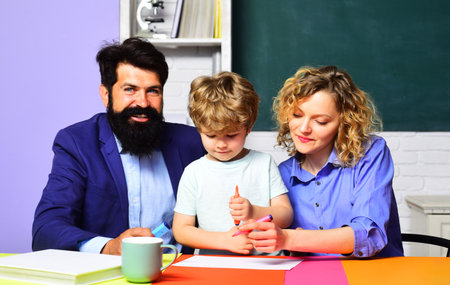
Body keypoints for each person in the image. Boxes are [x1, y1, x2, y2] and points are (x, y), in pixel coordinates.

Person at [32, 38, 205, 255]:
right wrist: (109, 247)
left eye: (153, 91)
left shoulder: (193, 142)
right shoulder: (76, 143)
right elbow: (46, 230)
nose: (143, 103)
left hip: (179, 273)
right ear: (106, 95)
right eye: (130, 90)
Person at [239, 65, 404, 257]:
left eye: (321, 122)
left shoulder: (370, 153)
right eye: (297, 115)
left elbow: (369, 235)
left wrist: (290, 238)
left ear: (344, 123)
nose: (303, 129)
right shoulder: (282, 173)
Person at [172, 71, 293, 255]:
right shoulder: (194, 172)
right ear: (199, 130)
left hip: (265, 265)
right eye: (211, 135)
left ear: (248, 127)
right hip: (214, 268)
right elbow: (181, 230)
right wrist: (223, 240)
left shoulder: (263, 164)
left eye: (231, 135)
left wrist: (254, 212)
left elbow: (286, 215)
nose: (221, 144)